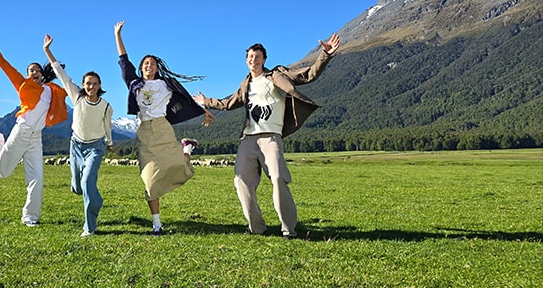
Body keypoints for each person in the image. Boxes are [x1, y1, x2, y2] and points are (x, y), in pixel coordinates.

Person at [193, 34, 340, 239]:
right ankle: (256, 227)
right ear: (246, 61)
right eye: (250, 57)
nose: (254, 59)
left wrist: (325, 54)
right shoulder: (246, 85)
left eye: (258, 56)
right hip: (249, 138)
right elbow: (227, 103)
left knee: (279, 178)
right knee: (241, 180)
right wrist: (205, 100)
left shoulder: (277, 76)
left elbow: (308, 75)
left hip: (271, 137)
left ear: (264, 59)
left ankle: (288, 229)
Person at [114, 20, 214, 235]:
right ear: (141, 68)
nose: (148, 66)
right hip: (144, 132)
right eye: (145, 63)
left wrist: (204, 111)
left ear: (157, 67)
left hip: (163, 127)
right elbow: (124, 62)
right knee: (149, 180)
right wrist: (118, 36)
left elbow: (186, 100)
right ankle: (157, 224)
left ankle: (186, 150)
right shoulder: (134, 84)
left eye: (152, 63)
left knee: (180, 168)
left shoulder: (165, 85)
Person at [0, 36, 68, 227]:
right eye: (30, 70)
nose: (34, 72)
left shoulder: (53, 90)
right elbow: (7, 68)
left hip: (36, 138)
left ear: (42, 74)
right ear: (27, 75)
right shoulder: (24, 86)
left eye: (37, 70)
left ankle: (30, 217)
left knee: (37, 179)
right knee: (2, 172)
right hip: (20, 133)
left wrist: (47, 50)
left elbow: (64, 77)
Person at [42, 34, 114, 237]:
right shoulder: (77, 96)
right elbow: (60, 72)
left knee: (87, 182)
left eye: (95, 83)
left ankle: (89, 226)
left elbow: (107, 126)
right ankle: (94, 198)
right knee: (77, 187)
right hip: (75, 146)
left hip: (95, 147)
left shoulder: (106, 106)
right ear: (83, 85)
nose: (91, 87)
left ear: (100, 86)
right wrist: (47, 50)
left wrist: (109, 143)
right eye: (88, 83)